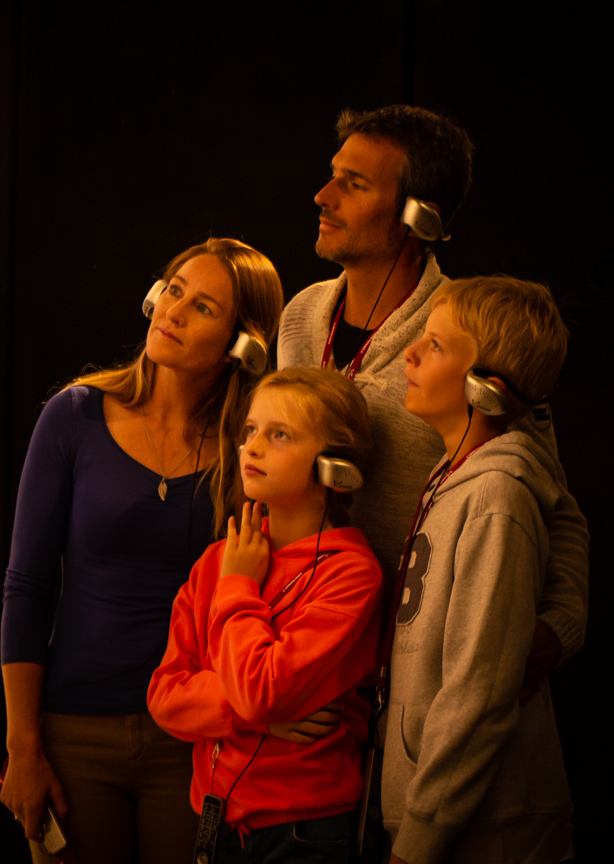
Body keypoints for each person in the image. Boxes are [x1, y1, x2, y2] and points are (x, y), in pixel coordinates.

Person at [276, 105, 588, 689]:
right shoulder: (300, 318)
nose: (323, 195)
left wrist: (558, 625)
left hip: (418, 673)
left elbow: (555, 501)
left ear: (419, 218)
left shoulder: (466, 338)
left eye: (354, 184)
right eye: (332, 174)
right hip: (310, 661)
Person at [0, 238, 285, 864]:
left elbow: (284, 594)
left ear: (246, 344)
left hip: (198, 740)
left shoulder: (254, 450)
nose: (173, 311)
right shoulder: (73, 415)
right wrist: (24, 748)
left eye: (203, 306)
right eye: (173, 288)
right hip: (75, 730)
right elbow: (26, 587)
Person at [147, 367, 382, 863]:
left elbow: (262, 690)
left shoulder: (351, 573)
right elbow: (165, 696)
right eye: (251, 431)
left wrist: (239, 587)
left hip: (305, 829)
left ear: (333, 467)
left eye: (280, 436)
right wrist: (261, 723)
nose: (250, 447)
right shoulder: (219, 560)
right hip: (220, 823)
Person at [383, 276, 575, 863]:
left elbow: (477, 698)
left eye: (435, 346)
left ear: (484, 390)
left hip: (487, 836)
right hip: (445, 828)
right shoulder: (453, 478)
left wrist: (416, 844)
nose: (410, 353)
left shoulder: (496, 499)